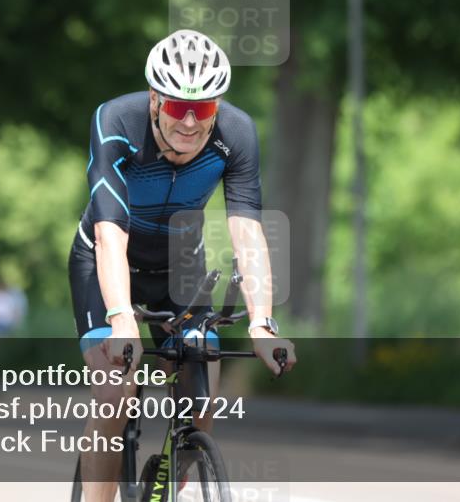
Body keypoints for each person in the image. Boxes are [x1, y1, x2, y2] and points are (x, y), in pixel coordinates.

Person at [68, 28, 297, 502]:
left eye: (205, 108)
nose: (190, 123)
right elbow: (110, 233)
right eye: (177, 107)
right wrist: (121, 318)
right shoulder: (116, 120)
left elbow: (247, 232)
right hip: (107, 261)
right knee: (115, 392)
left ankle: (180, 480)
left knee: (201, 395)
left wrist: (262, 323)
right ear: (154, 98)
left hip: (180, 266)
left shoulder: (237, 133)